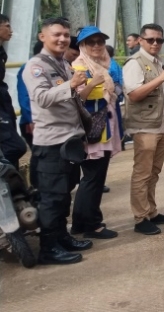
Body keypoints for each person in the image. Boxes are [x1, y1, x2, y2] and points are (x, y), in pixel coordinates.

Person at [22, 17, 91, 264]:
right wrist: (72, 84)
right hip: (51, 143)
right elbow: (41, 98)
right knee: (51, 196)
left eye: (65, 34)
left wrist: (81, 87)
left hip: (69, 140)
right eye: (56, 35)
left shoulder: (63, 63)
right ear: (43, 37)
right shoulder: (35, 66)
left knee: (64, 193)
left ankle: (61, 236)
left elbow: (70, 98)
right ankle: (49, 247)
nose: (62, 39)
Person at [123, 23, 164, 236]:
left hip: (161, 127)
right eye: (151, 40)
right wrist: (162, 78)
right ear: (140, 40)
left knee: (153, 173)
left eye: (159, 40)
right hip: (145, 128)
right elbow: (134, 94)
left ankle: (151, 211)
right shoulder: (135, 63)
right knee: (142, 174)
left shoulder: (157, 63)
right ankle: (140, 218)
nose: (155, 43)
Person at [70, 26, 121, 240]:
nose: (97, 46)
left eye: (100, 41)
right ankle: (93, 224)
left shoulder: (103, 65)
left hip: (104, 127)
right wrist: (95, 82)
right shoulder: (79, 66)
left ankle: (80, 223)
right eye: (91, 42)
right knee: (93, 178)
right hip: (93, 129)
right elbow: (77, 98)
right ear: (82, 45)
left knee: (93, 178)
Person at [0, 13, 27, 170]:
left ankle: (14, 188)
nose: (11, 30)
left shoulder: (2, 52)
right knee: (15, 147)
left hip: (4, 102)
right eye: (7, 26)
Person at [17, 41, 44, 185]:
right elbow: (24, 97)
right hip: (32, 122)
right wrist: (32, 120)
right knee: (39, 155)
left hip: (46, 122)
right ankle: (37, 189)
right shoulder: (29, 68)